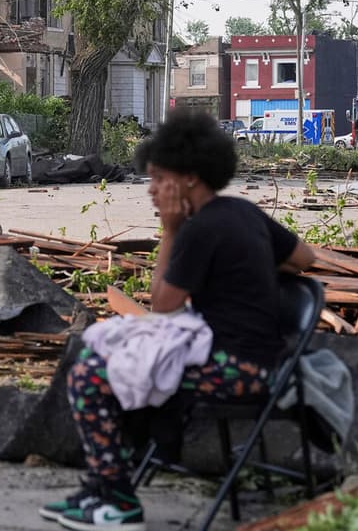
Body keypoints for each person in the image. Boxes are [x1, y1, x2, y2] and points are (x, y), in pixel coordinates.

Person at [40, 110, 315, 530]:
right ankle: (103, 487)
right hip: (265, 361)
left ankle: (116, 499)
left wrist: (170, 229)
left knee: (88, 376)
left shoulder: (199, 228)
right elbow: (304, 259)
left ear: (188, 177)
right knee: (120, 367)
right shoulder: (242, 212)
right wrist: (249, 266)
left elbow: (164, 304)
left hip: (237, 370)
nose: (151, 189)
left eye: (158, 178)